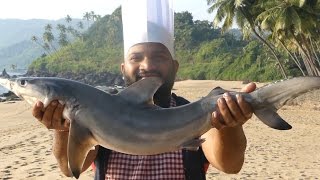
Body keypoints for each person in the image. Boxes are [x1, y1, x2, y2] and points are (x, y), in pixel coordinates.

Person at [32, 0, 256, 179]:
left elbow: (230, 165)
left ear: (175, 67)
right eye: (135, 58)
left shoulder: (196, 113)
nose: (147, 66)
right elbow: (71, 169)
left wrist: (230, 124)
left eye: (159, 57)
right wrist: (62, 131)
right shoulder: (98, 112)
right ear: (123, 68)